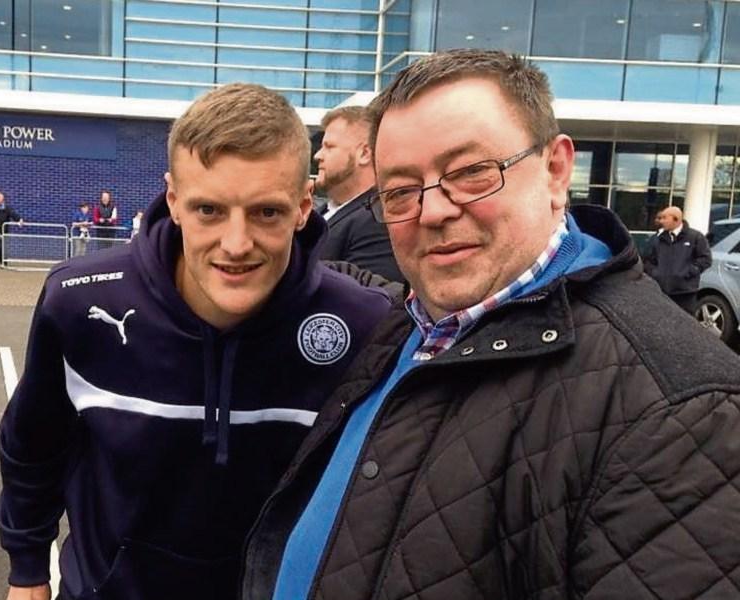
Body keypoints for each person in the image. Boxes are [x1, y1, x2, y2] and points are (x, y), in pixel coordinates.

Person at [241, 49, 740, 600]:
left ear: (555, 170)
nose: (433, 211)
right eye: (402, 190)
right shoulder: (416, 325)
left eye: (473, 173)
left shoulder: (683, 409)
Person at [0, 83, 392, 600]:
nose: (236, 243)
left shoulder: (362, 323)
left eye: (266, 213)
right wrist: (27, 568)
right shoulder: (78, 303)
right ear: (174, 201)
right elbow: (33, 444)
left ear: (302, 207)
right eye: (209, 210)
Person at [314, 106, 402, 282]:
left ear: (364, 154)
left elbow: (366, 297)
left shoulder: (377, 220)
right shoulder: (318, 212)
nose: (318, 155)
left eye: (329, 147)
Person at [643, 205, 712, 314]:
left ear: (676, 219)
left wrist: (687, 272)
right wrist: (655, 273)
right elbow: (647, 260)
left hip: (685, 294)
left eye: (665, 218)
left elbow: (705, 259)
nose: (661, 221)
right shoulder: (658, 239)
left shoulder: (695, 237)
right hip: (662, 292)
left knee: (684, 327)